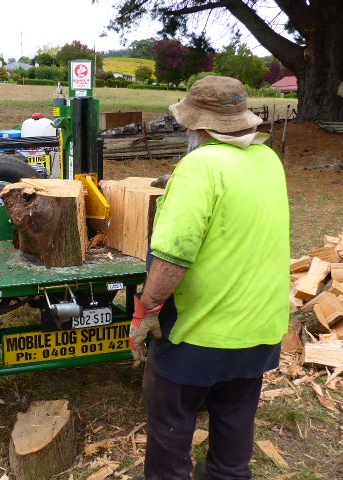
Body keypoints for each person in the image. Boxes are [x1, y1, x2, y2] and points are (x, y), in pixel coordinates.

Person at [129, 75, 290, 480]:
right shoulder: (269, 160)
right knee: (235, 414)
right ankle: (228, 474)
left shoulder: (199, 166)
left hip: (200, 333)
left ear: (198, 126)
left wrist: (146, 310)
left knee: (171, 416)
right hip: (260, 327)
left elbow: (171, 260)